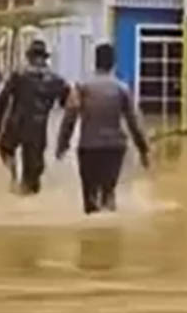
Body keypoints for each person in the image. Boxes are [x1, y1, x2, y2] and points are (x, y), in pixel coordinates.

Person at [56, 42, 150, 214]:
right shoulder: (122, 89)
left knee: (90, 196)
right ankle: (109, 233)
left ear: (95, 62)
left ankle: (92, 235)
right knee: (108, 192)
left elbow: (69, 117)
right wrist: (143, 149)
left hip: (88, 147)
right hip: (115, 148)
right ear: (113, 63)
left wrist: (62, 144)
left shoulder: (82, 87)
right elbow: (133, 122)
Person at [0, 38, 70, 194]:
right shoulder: (56, 80)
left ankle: (13, 178)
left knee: (7, 149)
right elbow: (68, 103)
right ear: (45, 58)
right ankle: (26, 190)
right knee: (33, 172)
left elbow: (1, 100)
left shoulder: (18, 75)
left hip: (16, 125)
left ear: (29, 57)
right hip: (38, 129)